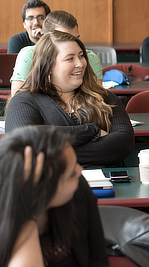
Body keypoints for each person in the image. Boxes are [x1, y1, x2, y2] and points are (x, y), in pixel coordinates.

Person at [0, 126, 112, 267]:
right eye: (71, 173)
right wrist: (29, 211)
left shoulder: (78, 190)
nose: (80, 170)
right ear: (43, 187)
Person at [5, 31, 134, 169]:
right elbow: (24, 141)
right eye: (70, 59)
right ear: (48, 67)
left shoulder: (104, 97)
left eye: (81, 56)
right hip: (52, 187)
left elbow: (124, 143)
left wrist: (51, 156)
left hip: (111, 185)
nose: (80, 63)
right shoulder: (24, 101)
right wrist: (91, 131)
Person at [10, 10, 104, 99]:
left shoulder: (89, 58)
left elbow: (97, 99)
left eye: (76, 39)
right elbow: (17, 99)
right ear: (48, 39)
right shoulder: (28, 55)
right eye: (65, 39)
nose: (74, 44)